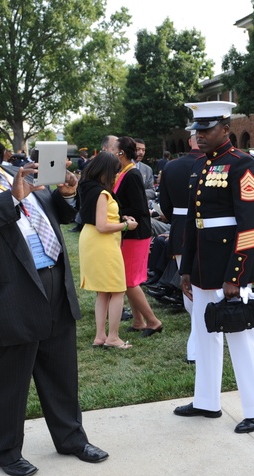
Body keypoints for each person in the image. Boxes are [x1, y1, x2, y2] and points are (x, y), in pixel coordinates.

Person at [0, 107, 109, 476]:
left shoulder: (8, 172)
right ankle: (4, 450)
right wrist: (13, 198)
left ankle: (71, 439)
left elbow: (52, 214)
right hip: (7, 291)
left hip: (51, 281)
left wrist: (66, 194)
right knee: (8, 379)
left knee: (61, 369)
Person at [175, 101, 254, 434]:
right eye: (197, 130)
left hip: (231, 265)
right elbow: (195, 221)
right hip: (204, 263)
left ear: (226, 129)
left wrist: (237, 275)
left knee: (241, 335)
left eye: (206, 129)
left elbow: (249, 225)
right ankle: (206, 400)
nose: (199, 136)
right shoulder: (203, 165)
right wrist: (187, 268)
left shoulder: (242, 164)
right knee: (204, 333)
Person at [78, 152, 137, 350]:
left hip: (91, 239)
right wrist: (126, 226)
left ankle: (100, 336)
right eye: (115, 172)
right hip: (101, 242)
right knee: (118, 290)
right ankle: (113, 337)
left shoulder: (87, 186)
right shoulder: (101, 193)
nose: (116, 176)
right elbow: (103, 225)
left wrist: (119, 221)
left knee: (102, 292)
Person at [158, 129, 203, 363]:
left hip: (180, 230)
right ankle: (198, 342)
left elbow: (164, 203)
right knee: (199, 287)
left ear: (189, 141)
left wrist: (177, 221)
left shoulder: (171, 166)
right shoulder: (213, 163)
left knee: (188, 285)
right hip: (205, 230)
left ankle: (198, 339)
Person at [115, 136, 164, 337]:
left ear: (121, 154)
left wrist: (114, 212)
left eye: (113, 151)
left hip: (137, 233)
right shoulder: (125, 173)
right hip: (129, 231)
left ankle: (153, 321)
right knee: (129, 280)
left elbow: (140, 208)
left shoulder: (132, 175)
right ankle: (138, 321)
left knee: (129, 281)